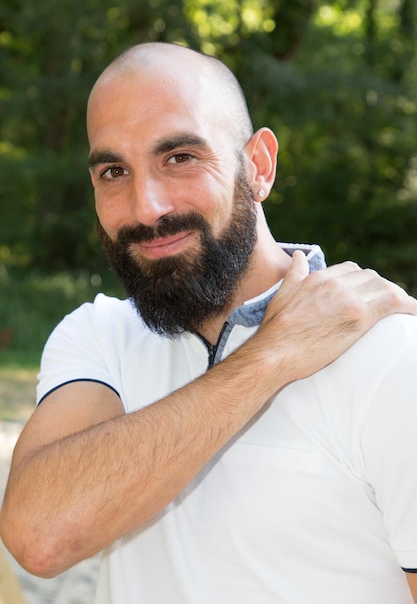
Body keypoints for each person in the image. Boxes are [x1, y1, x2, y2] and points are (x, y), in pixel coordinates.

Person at [1, 42, 417, 604]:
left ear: (259, 166)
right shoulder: (99, 336)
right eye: (113, 171)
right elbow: (39, 536)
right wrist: (271, 357)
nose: (146, 206)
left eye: (180, 157)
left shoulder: (391, 355)